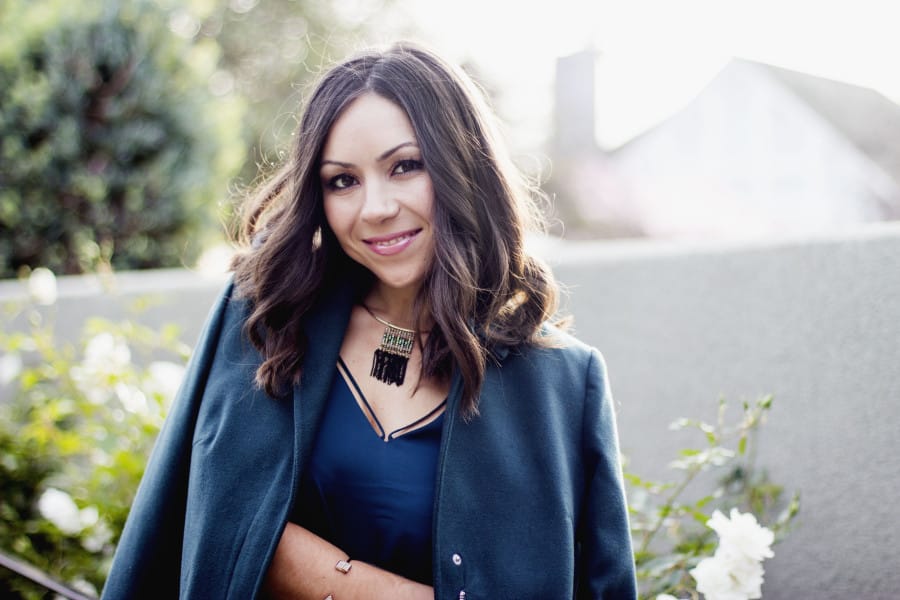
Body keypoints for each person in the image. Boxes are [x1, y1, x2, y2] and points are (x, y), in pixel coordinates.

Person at [102, 42, 636, 599]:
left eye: (404, 166)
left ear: (462, 166)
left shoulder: (564, 384)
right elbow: (193, 519)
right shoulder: (263, 320)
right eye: (342, 181)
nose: (374, 208)